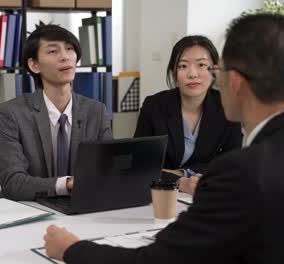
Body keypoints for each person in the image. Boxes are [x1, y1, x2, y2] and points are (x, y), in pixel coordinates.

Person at [43, 14, 284, 263]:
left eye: (212, 68)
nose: (195, 74)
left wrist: (71, 249)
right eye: (183, 66)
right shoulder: (159, 106)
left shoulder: (241, 172)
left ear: (233, 81)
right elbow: (142, 166)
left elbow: (156, 260)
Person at [0, 24, 112, 201]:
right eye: (53, 51)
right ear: (34, 65)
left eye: (69, 49)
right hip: (27, 208)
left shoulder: (96, 111)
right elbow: (13, 183)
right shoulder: (11, 113)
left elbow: (108, 169)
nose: (65, 57)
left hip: (82, 206)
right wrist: (67, 184)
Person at [134, 35, 242, 195]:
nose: (192, 74)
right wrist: (180, 182)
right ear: (174, 73)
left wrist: (183, 172)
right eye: (183, 66)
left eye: (201, 65)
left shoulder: (228, 106)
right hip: (159, 194)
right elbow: (139, 164)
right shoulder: (154, 106)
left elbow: (232, 161)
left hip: (209, 193)